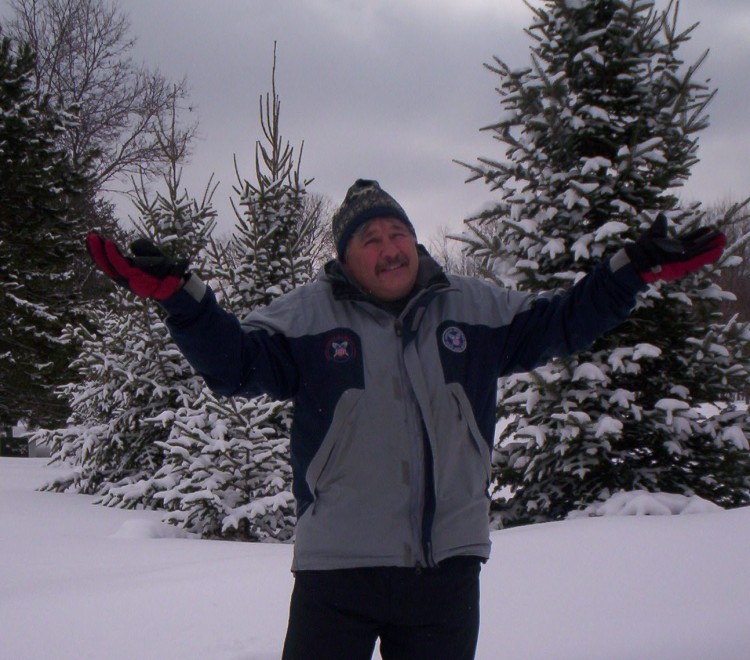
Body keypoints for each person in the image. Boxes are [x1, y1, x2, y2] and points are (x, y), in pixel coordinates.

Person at [86, 179, 725, 660]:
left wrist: (630, 272)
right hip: (338, 572)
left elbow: (561, 321)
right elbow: (235, 365)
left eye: (398, 234)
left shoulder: (472, 308)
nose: (391, 249)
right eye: (372, 239)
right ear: (346, 256)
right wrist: (184, 301)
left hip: (445, 570)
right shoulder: (308, 317)